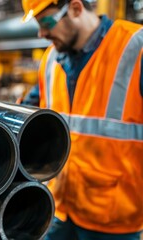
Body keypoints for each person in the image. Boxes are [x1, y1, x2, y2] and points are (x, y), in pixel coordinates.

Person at [17, 0, 143, 239]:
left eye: (46, 21)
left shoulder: (135, 47)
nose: (41, 33)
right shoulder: (52, 59)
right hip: (59, 207)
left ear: (75, 8)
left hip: (113, 217)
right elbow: (30, 109)